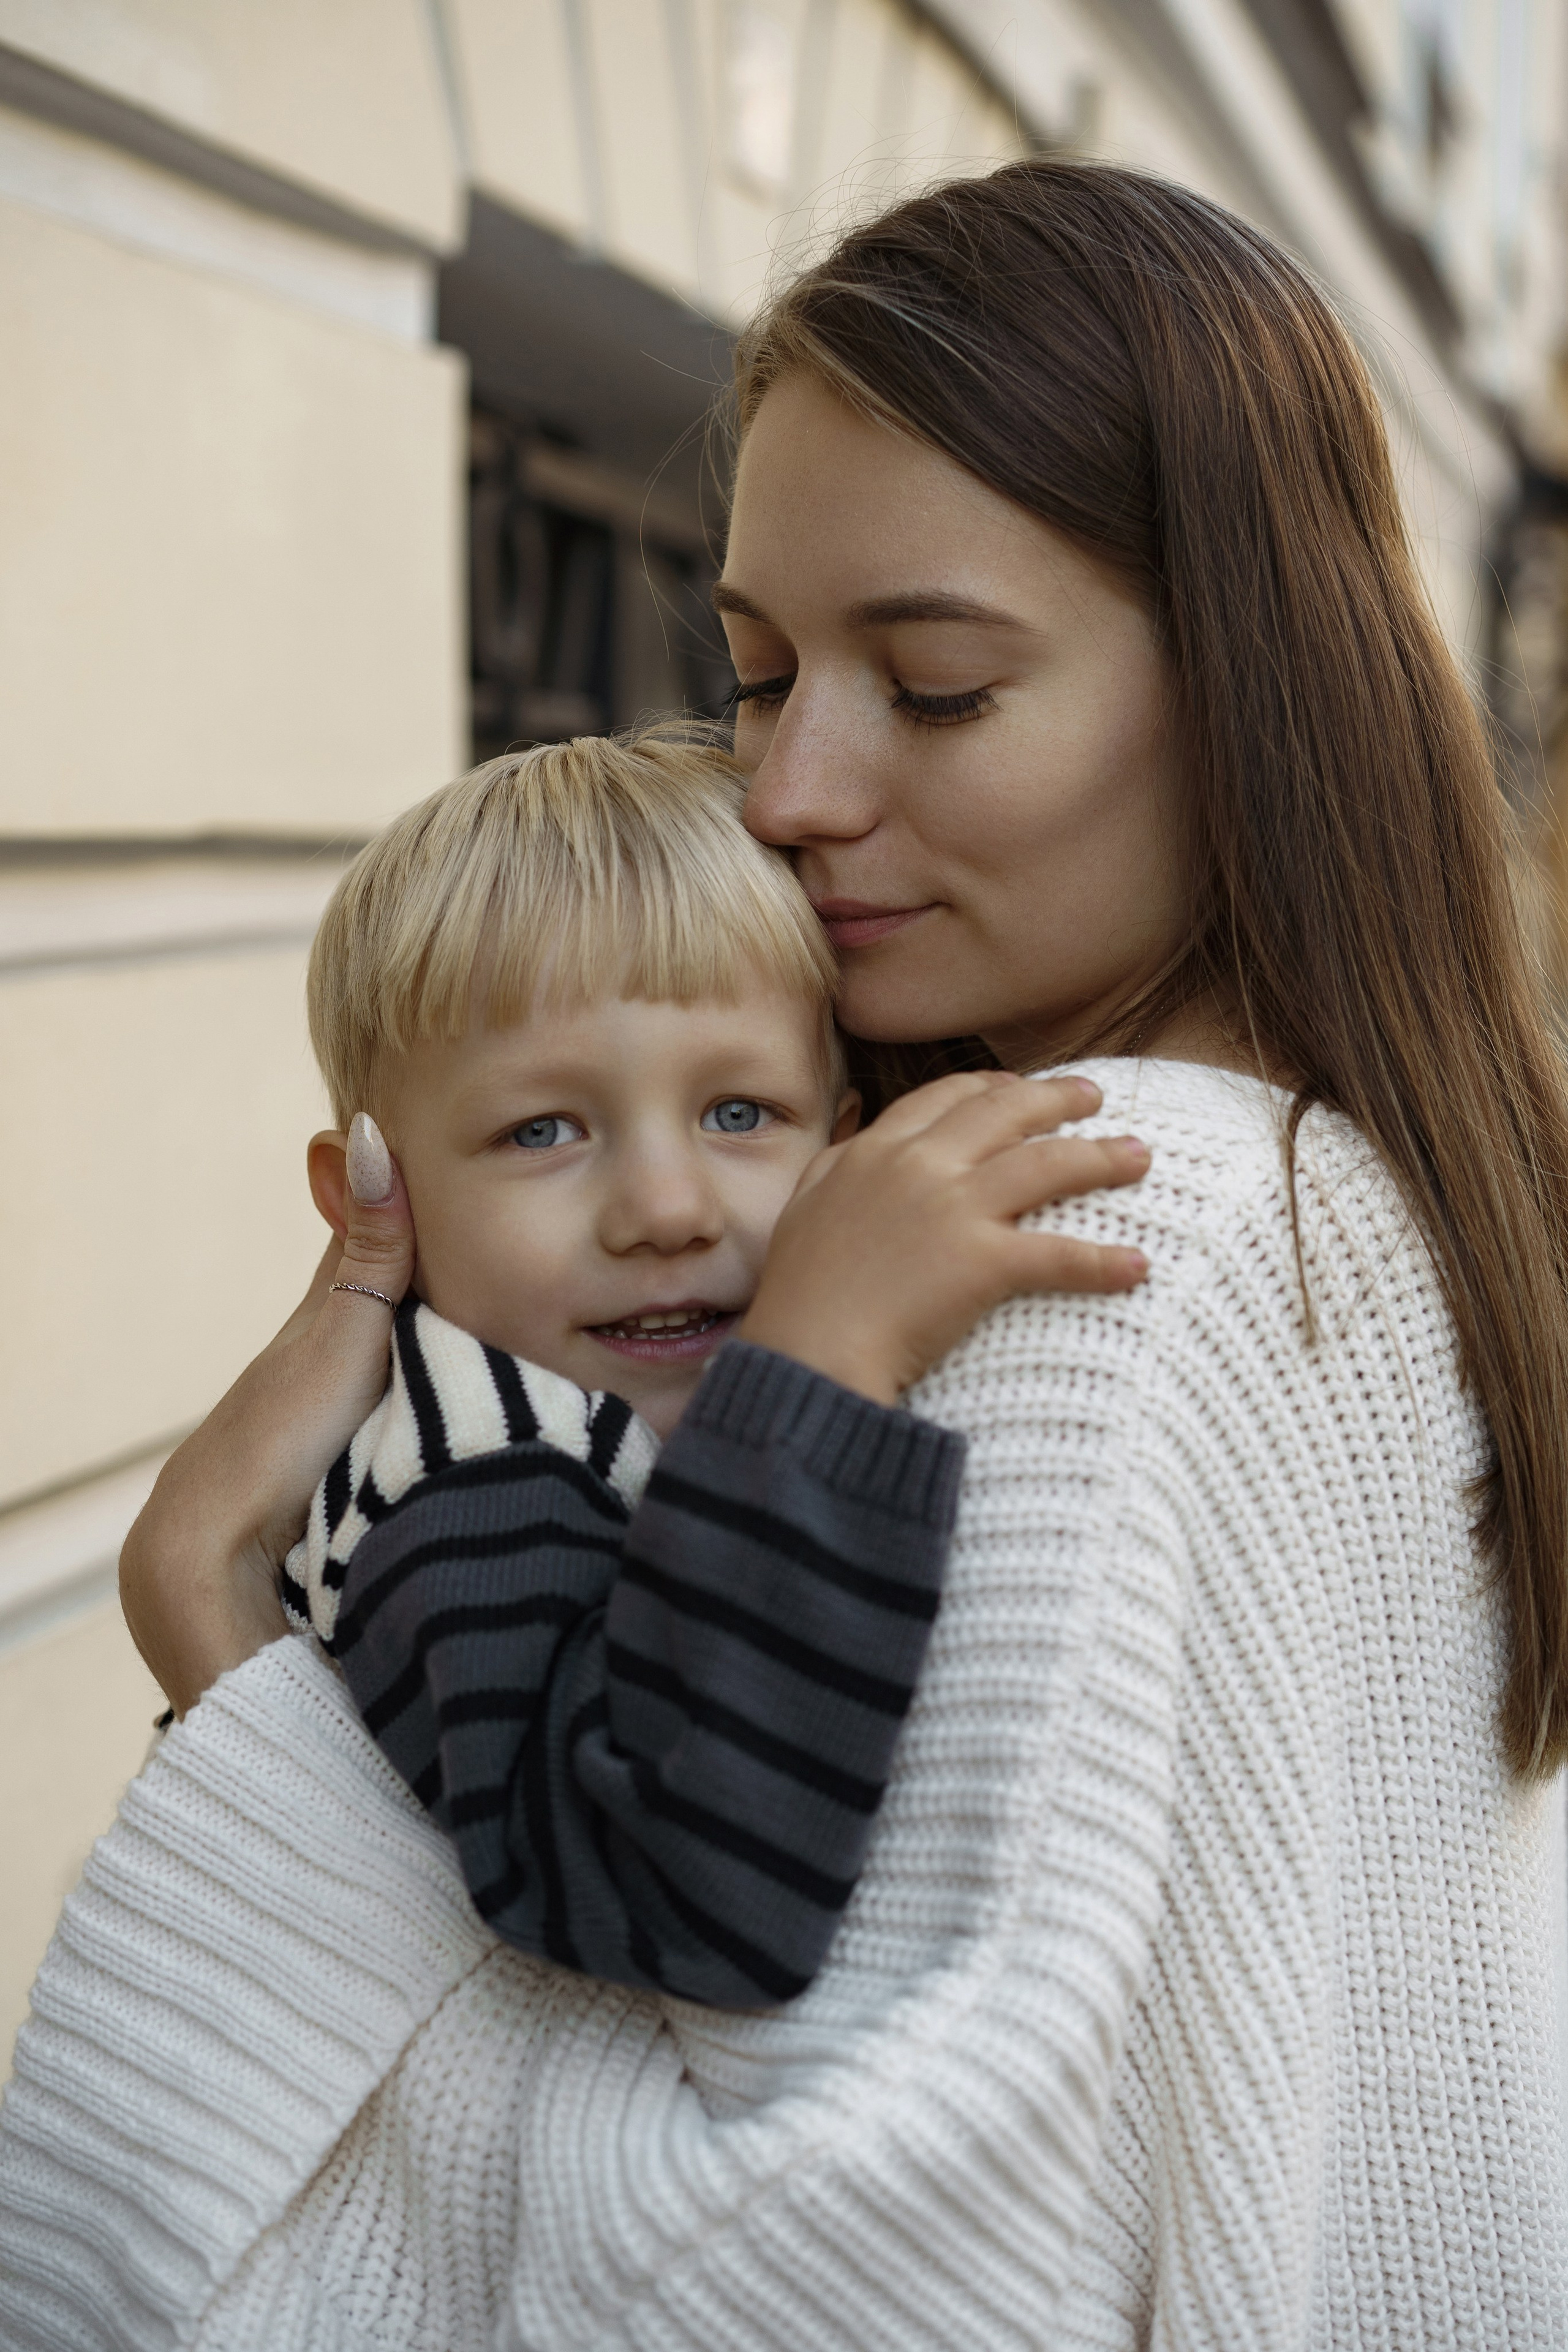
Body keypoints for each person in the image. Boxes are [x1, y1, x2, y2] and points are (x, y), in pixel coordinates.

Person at [4, 156, 1568, 2351]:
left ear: (1245, 685)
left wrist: (228, 1663)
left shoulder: (1079, 1251)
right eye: (752, 676)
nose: (792, 790)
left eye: (930, 690)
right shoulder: (1370, 1199)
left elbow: (781, 2268)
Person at [282, 728, 1144, 2005]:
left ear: (842, 1144)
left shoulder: (579, 1424)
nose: (666, 1208)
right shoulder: (478, 1472)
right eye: (541, 1129)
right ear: (373, 1195)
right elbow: (687, 1905)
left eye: (738, 1114)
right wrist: (821, 1363)